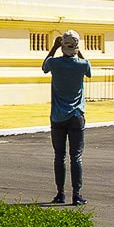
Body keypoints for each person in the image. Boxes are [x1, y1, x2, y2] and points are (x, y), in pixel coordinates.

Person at [40, 30, 94, 205]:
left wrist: (54, 47)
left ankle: (60, 192)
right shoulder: (82, 64)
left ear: (62, 47)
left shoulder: (55, 64)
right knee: (76, 157)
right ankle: (77, 194)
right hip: (77, 115)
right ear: (77, 48)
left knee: (59, 156)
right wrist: (77, 51)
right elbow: (88, 70)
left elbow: (44, 66)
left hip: (57, 116)